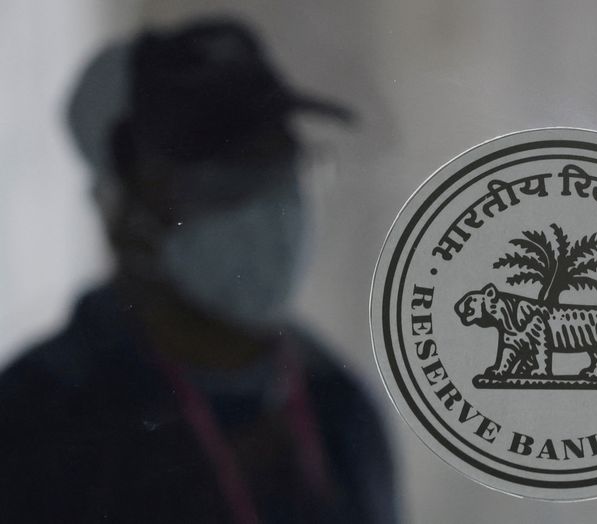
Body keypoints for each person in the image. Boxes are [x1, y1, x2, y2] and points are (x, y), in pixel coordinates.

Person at [0, 18, 396, 524]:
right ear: (125, 213)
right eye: (226, 179)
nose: (270, 208)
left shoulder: (336, 408)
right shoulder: (36, 426)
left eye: (283, 164)